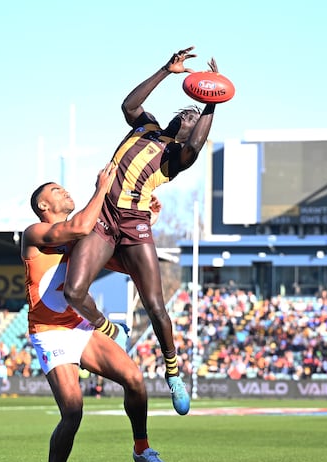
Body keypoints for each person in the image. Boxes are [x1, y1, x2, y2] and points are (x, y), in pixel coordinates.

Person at [63, 46, 219, 415]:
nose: (190, 115)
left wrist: (212, 103)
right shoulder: (144, 125)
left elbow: (196, 145)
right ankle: (109, 330)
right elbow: (128, 105)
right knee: (74, 290)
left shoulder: (174, 158)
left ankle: (173, 372)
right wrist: (166, 70)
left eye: (195, 117)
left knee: (155, 306)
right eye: (190, 112)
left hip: (134, 225)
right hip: (102, 218)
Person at [23, 163, 171, 462]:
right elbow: (82, 225)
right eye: (55, 190)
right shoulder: (35, 231)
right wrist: (103, 188)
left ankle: (141, 447)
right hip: (51, 331)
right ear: (43, 206)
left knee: (134, 378)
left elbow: (120, 249)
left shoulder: (81, 237)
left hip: (78, 326)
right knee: (73, 412)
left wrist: (146, 219)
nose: (64, 191)